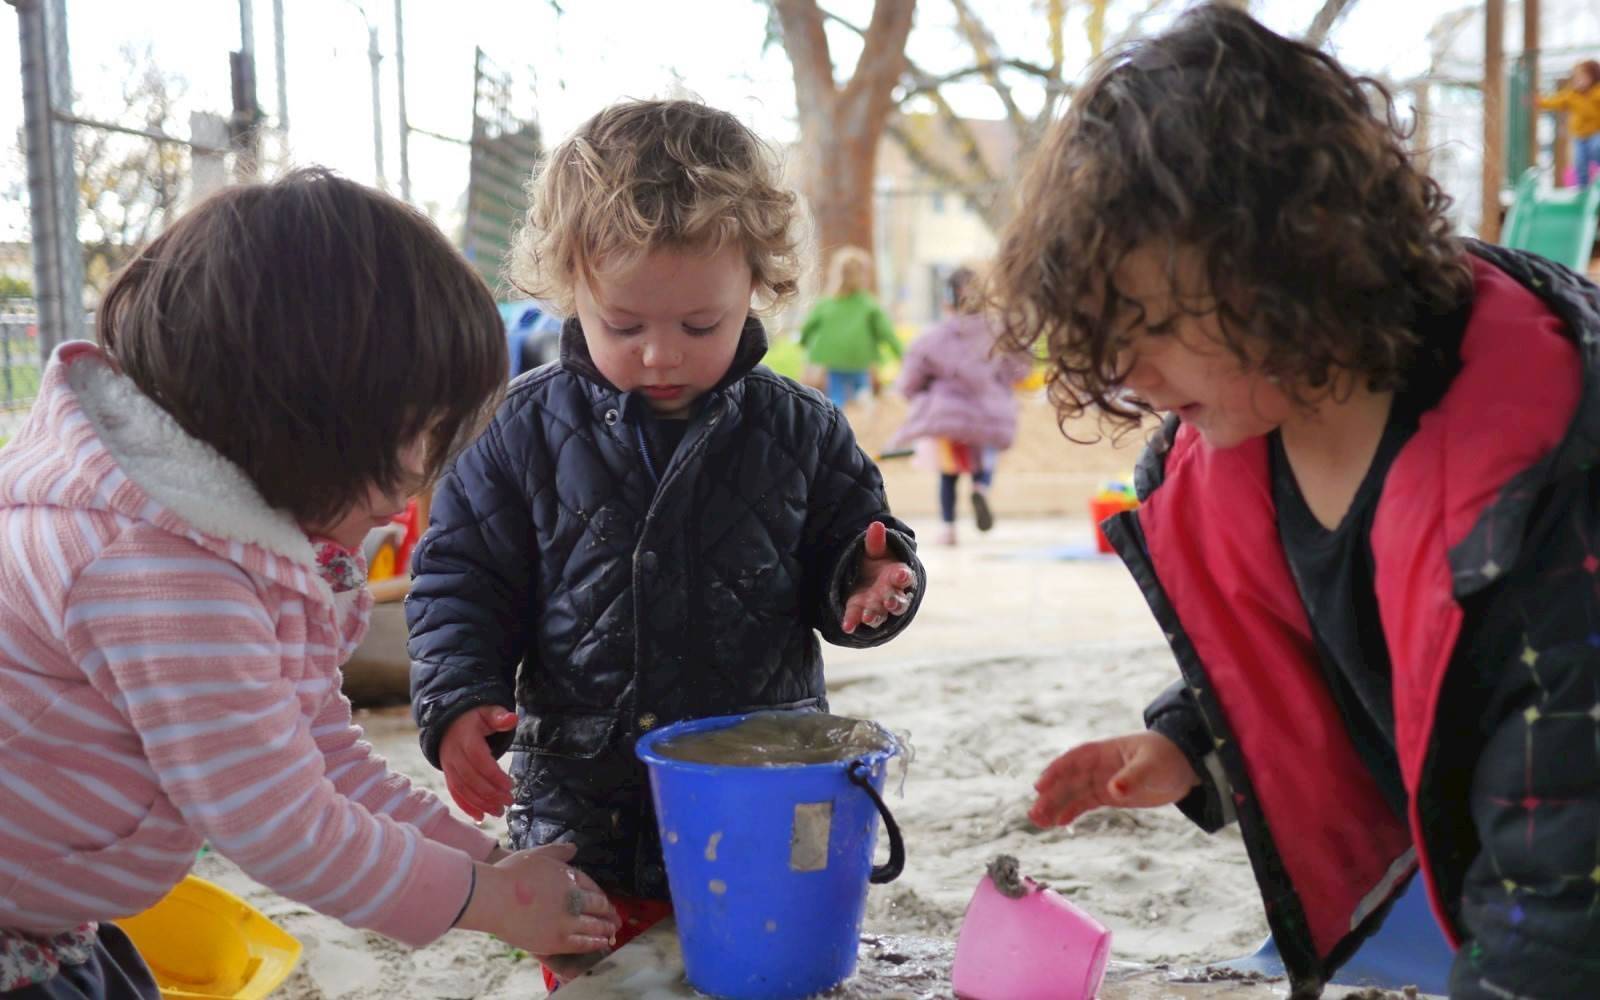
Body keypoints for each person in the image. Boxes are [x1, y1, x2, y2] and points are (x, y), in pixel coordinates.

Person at [992, 7, 1600, 998]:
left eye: (1149, 325)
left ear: (1289, 266)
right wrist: (1192, 745)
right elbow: (1326, 647)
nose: (1121, 370)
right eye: (1105, 335)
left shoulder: (1539, 500)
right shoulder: (1258, 433)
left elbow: (1566, 879)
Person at [0, 170, 620, 997]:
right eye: (417, 438)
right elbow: (284, 823)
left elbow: (321, 758)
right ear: (308, 415)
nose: (416, 484)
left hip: (47, 906)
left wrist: (489, 861)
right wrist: (489, 903)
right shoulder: (157, 575)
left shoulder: (234, 542)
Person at [406, 99, 926, 990]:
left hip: (761, 787)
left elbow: (855, 544)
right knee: (599, 975)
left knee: (766, 968)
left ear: (756, 287)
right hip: (583, 798)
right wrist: (458, 702)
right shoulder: (519, 430)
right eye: (626, 326)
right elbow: (460, 578)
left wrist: (872, 578)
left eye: (699, 326)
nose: (660, 356)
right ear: (572, 288)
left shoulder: (799, 428)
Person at [890, 266, 1031, 545]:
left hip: (948, 415)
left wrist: (919, 392)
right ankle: (981, 486)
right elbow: (1019, 370)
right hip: (989, 412)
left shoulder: (934, 337)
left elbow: (909, 381)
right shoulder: (999, 332)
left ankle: (948, 528)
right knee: (985, 457)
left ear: (946, 301)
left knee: (949, 471)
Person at [799, 245, 902, 408]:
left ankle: (836, 422)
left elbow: (807, 329)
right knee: (863, 396)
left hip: (833, 361)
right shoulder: (869, 305)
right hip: (861, 361)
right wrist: (902, 354)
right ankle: (863, 418)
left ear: (836, 274)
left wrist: (804, 344)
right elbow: (886, 333)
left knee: (836, 398)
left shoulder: (826, 304)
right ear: (863, 276)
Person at [1537, 59, 1600, 188]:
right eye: (1576, 78)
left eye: (1582, 77)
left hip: (1595, 132)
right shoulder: (1571, 95)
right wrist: (1541, 102)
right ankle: (1583, 188)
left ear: (1593, 77)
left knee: (1596, 148)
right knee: (1580, 161)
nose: (1578, 81)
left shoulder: (1597, 93)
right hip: (1580, 136)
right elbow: (1557, 100)